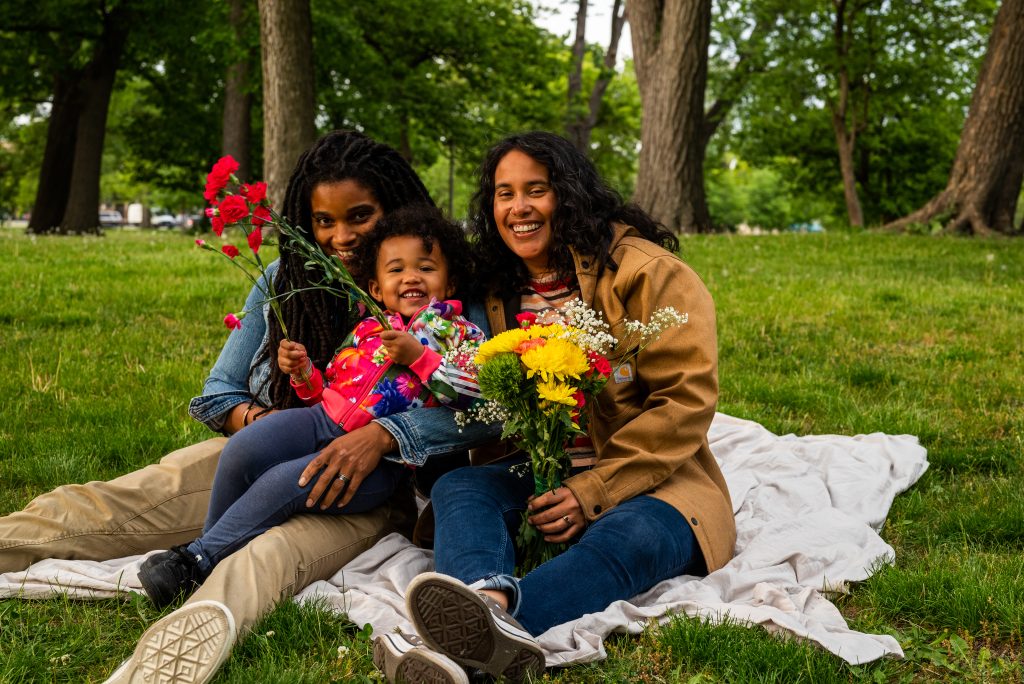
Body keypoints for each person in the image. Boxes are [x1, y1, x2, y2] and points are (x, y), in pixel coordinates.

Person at [0, 131, 498, 684]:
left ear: (394, 209)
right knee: (122, 499)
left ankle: (184, 639)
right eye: (324, 221)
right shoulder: (283, 281)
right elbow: (219, 392)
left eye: (360, 215)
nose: (341, 236)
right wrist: (273, 428)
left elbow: (486, 407)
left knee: (271, 553)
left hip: (377, 484)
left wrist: (383, 435)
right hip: (281, 442)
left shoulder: (446, 293)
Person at [375, 132, 737, 684]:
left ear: (568, 194)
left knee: (629, 538)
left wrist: (594, 491)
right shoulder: (496, 284)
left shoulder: (645, 272)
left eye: (535, 190)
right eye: (503, 194)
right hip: (543, 469)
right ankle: (482, 603)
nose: (517, 208)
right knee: (461, 490)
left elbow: (684, 404)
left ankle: (482, 635)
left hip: (650, 479)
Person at [138, 205, 486, 607]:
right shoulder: (369, 324)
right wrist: (303, 372)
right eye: (396, 270)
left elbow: (466, 394)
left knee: (288, 480)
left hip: (382, 464)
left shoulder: (461, 334)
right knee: (243, 448)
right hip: (321, 419)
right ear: (376, 288)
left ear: (450, 279)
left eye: (426, 268)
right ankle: (208, 556)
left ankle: (197, 560)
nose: (411, 277)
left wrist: (420, 358)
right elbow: (326, 389)